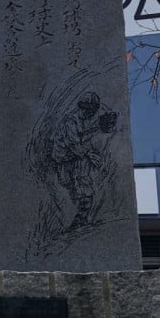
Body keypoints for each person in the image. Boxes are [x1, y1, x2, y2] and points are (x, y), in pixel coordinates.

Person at [50, 91, 117, 229]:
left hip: (75, 158)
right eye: (90, 109)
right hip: (63, 160)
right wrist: (90, 155)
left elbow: (80, 138)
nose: (92, 113)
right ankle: (72, 219)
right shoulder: (70, 121)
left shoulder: (79, 121)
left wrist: (97, 128)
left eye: (92, 110)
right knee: (68, 187)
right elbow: (73, 144)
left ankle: (82, 218)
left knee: (83, 183)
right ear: (84, 108)